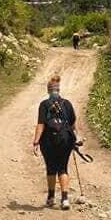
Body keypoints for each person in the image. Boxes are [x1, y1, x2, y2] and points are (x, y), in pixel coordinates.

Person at [32, 74, 77, 209]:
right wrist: (77, 139)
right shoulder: (67, 104)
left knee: (51, 168)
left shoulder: (44, 105)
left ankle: (51, 198)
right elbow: (72, 125)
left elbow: (41, 124)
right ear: (59, 89)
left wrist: (36, 142)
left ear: (48, 90)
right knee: (63, 168)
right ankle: (64, 199)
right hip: (65, 140)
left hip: (48, 141)